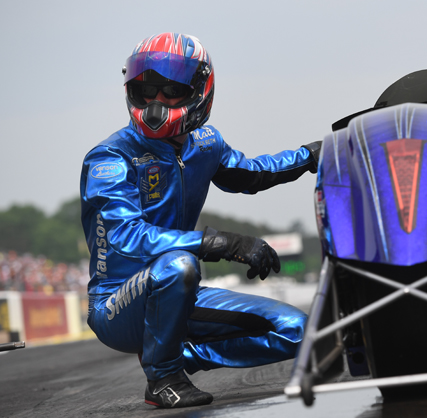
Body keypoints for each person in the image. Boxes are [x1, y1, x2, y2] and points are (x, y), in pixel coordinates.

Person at [80, 33, 321, 408]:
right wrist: (221, 243)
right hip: (116, 303)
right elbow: (125, 235)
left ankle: (182, 356)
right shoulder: (109, 158)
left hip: (182, 291)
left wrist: (310, 156)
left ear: (198, 91)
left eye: (171, 90)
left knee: (298, 330)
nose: (156, 102)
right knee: (179, 264)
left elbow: (253, 173)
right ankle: (163, 379)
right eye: (146, 90)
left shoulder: (206, 143)